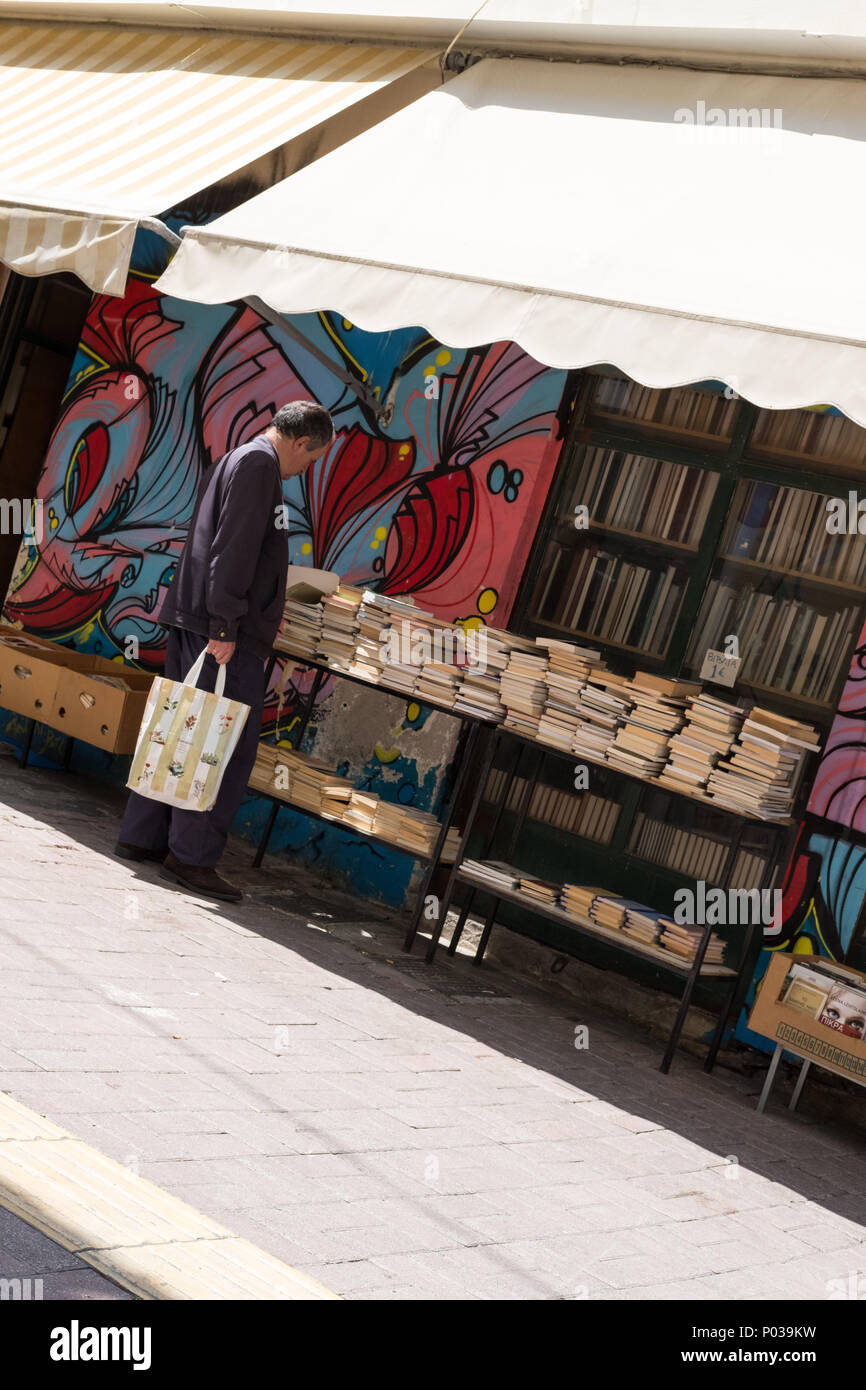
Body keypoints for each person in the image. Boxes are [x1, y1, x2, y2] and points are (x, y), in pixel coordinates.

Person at [116, 401, 335, 903]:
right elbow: (232, 549)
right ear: (300, 442)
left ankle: (143, 835)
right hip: (220, 631)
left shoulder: (239, 457)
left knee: (179, 726)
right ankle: (190, 855)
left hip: (201, 618)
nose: (309, 468)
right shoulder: (260, 465)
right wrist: (225, 624)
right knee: (221, 743)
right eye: (313, 457)